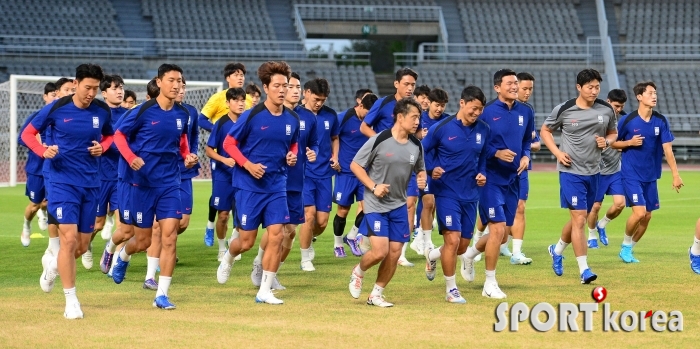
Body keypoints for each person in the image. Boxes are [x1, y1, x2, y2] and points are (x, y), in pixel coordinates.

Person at [21, 63, 114, 319]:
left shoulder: (102, 110)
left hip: (91, 182)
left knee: (82, 246)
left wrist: (103, 147)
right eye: (87, 87)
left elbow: (111, 136)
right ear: (75, 83)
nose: (91, 93)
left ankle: (52, 265)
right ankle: (71, 301)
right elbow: (27, 134)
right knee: (69, 239)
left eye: (95, 88)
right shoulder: (57, 108)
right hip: (61, 182)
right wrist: (43, 151)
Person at [111, 64, 199, 310]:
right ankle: (124, 256)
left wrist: (187, 156)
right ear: (159, 82)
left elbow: (181, 141)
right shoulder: (143, 111)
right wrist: (131, 158)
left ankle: (161, 294)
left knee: (169, 236)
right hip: (142, 183)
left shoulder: (183, 114)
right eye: (171, 80)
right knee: (142, 241)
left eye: (179, 81)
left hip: (170, 182)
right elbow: (119, 136)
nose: (176, 85)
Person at [216, 61, 299, 305]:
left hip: (277, 185)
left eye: (285, 85)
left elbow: (293, 143)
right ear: (265, 87)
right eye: (277, 85)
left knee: (277, 235)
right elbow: (228, 144)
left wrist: (292, 154)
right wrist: (248, 165)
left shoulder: (292, 118)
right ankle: (229, 257)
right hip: (249, 186)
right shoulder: (251, 115)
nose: (282, 90)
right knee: (247, 241)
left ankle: (264, 290)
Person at [458, 69, 533, 299]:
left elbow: (527, 141)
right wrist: (496, 153)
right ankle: (489, 284)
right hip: (489, 179)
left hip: (513, 179)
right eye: (510, 83)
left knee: (501, 236)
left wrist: (525, 156)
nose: (514, 86)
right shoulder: (487, 112)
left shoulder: (526, 111)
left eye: (516, 83)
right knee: (498, 228)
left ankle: (469, 255)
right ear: (497, 87)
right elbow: (474, 143)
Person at [348, 98, 426, 307]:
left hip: (399, 205)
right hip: (375, 204)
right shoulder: (379, 139)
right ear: (400, 117)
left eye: (419, 117)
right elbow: (355, 165)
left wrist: (422, 177)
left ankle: (376, 294)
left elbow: (421, 168)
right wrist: (373, 186)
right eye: (414, 117)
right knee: (380, 251)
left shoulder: (416, 145)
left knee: (394, 253)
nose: (418, 121)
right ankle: (359, 271)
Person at [541, 69, 617, 284]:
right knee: (580, 219)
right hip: (570, 172)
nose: (594, 91)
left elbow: (613, 133)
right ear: (579, 87)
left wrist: (608, 142)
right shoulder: (565, 109)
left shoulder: (606, 109)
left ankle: (556, 250)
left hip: (594, 172)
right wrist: (557, 153)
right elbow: (545, 131)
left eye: (597, 87)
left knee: (579, 219)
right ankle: (584, 270)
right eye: (590, 87)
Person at [421, 86, 489, 303]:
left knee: (461, 246)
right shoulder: (441, 128)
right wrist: (432, 170)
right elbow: (421, 151)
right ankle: (451, 289)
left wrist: (482, 173)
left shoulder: (483, 130)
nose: (477, 113)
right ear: (462, 103)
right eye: (474, 108)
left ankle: (432, 256)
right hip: (446, 192)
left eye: (480, 110)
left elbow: (484, 157)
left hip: (471, 194)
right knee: (452, 240)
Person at [250, 72, 318, 288]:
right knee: (276, 228)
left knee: (290, 231)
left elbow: (314, 143)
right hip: (276, 180)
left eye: (298, 87)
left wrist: (312, 152)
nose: (295, 90)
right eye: (291, 86)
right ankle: (260, 266)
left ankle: (272, 270)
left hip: (297, 180)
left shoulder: (307, 117)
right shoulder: (267, 115)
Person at [612, 81, 683, 263]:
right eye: (650, 93)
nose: (654, 96)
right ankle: (625, 245)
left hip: (651, 176)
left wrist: (675, 175)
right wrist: (629, 143)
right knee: (639, 213)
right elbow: (613, 143)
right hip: (631, 174)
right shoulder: (627, 121)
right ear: (639, 97)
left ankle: (628, 249)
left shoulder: (661, 120)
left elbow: (668, 150)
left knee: (647, 217)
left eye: (655, 93)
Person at [141, 77, 201, 290]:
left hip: (182, 173)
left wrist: (191, 155)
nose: (180, 89)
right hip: (157, 175)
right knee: (158, 227)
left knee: (181, 223)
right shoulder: (149, 111)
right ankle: (150, 275)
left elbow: (190, 140)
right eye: (177, 85)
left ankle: (162, 253)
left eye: (184, 86)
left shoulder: (189, 112)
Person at [360, 67, 418, 267]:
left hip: (406, 163)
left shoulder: (415, 107)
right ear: (396, 84)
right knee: (381, 200)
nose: (410, 88)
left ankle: (400, 252)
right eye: (406, 84)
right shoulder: (383, 103)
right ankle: (365, 232)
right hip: (384, 164)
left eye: (413, 85)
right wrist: (380, 142)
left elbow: (416, 135)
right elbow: (364, 126)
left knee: (409, 204)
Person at [200, 62, 253, 246]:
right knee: (221, 206)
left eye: (242, 75)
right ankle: (210, 226)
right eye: (236, 74)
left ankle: (233, 239)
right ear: (228, 77)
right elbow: (201, 119)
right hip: (221, 158)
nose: (240, 77)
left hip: (242, 167)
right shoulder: (218, 99)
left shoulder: (248, 108)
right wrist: (216, 129)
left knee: (240, 208)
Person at [81, 74, 128, 270]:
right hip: (100, 176)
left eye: (121, 87)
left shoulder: (129, 114)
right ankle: (86, 245)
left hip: (122, 177)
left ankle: (114, 259)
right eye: (115, 88)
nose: (119, 91)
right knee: (98, 223)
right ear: (104, 92)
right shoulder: (97, 113)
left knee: (123, 225)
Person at [298, 78, 340, 269]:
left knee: (322, 222)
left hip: (324, 173)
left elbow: (335, 138)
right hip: (304, 173)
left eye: (322, 100)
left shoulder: (330, 115)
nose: (319, 103)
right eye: (316, 98)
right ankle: (305, 257)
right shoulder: (295, 114)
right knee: (309, 214)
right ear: (306, 93)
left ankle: (309, 235)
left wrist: (335, 157)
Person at [333, 93, 377, 256]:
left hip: (364, 172)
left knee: (368, 207)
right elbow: (332, 137)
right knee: (343, 210)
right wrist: (334, 157)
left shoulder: (372, 121)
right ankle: (338, 244)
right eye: (368, 112)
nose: (369, 116)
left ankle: (351, 236)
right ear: (360, 106)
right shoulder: (343, 118)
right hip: (345, 171)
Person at [206, 88, 246, 262]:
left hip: (244, 175)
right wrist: (224, 159)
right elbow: (208, 149)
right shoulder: (221, 123)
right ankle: (222, 248)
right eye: (236, 100)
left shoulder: (249, 121)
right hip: (224, 175)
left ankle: (234, 240)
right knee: (223, 214)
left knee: (242, 213)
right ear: (228, 103)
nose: (240, 103)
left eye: (242, 100)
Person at [506, 72, 541, 264]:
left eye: (530, 89)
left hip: (521, 168)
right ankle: (477, 244)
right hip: (500, 170)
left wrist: (527, 152)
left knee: (520, 207)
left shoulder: (528, 111)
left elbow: (533, 141)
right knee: (493, 211)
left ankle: (516, 253)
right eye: (524, 88)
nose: (527, 92)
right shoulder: (496, 110)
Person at [587, 89, 628, 248]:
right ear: (608, 101)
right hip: (598, 171)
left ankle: (602, 224)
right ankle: (591, 236)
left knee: (620, 204)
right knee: (595, 206)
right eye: (616, 106)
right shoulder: (598, 118)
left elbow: (626, 140)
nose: (618, 109)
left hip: (615, 170)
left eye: (621, 106)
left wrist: (623, 146)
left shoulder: (624, 120)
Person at [411, 88, 449, 256]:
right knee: (427, 202)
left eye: (442, 105)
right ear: (429, 104)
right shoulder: (419, 121)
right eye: (436, 105)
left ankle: (420, 237)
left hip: (441, 170)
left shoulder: (448, 122)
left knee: (433, 205)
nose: (439, 109)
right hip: (423, 169)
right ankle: (426, 242)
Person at [18, 82, 57, 246]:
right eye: (53, 95)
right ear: (45, 97)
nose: (56, 98)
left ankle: (54, 244)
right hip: (36, 168)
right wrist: (40, 146)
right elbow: (21, 138)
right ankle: (26, 226)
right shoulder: (36, 116)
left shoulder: (63, 116)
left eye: (58, 94)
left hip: (54, 167)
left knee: (49, 202)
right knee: (34, 204)